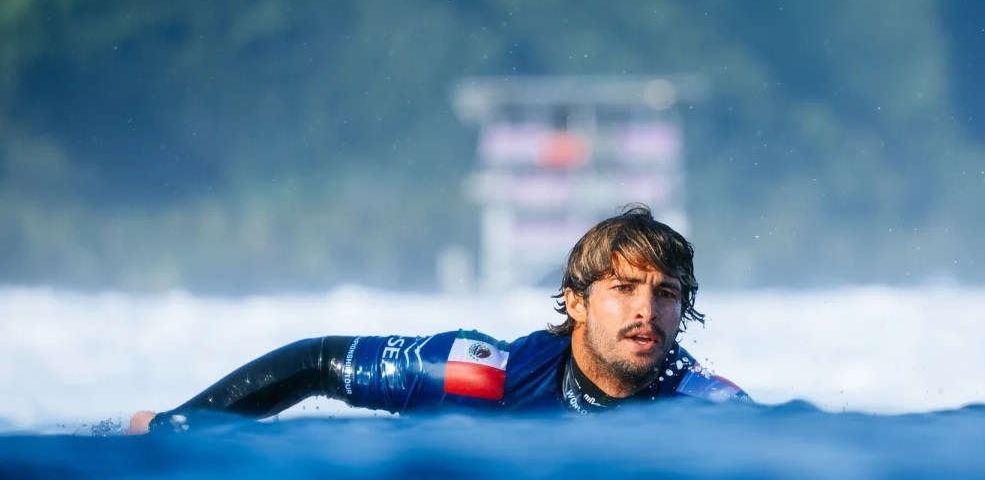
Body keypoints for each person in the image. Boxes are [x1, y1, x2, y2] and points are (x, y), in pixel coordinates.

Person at [127, 204, 749, 434]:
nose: (647, 310)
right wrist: (183, 426)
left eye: (666, 293)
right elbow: (319, 361)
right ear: (577, 302)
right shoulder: (487, 377)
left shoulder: (706, 409)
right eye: (624, 288)